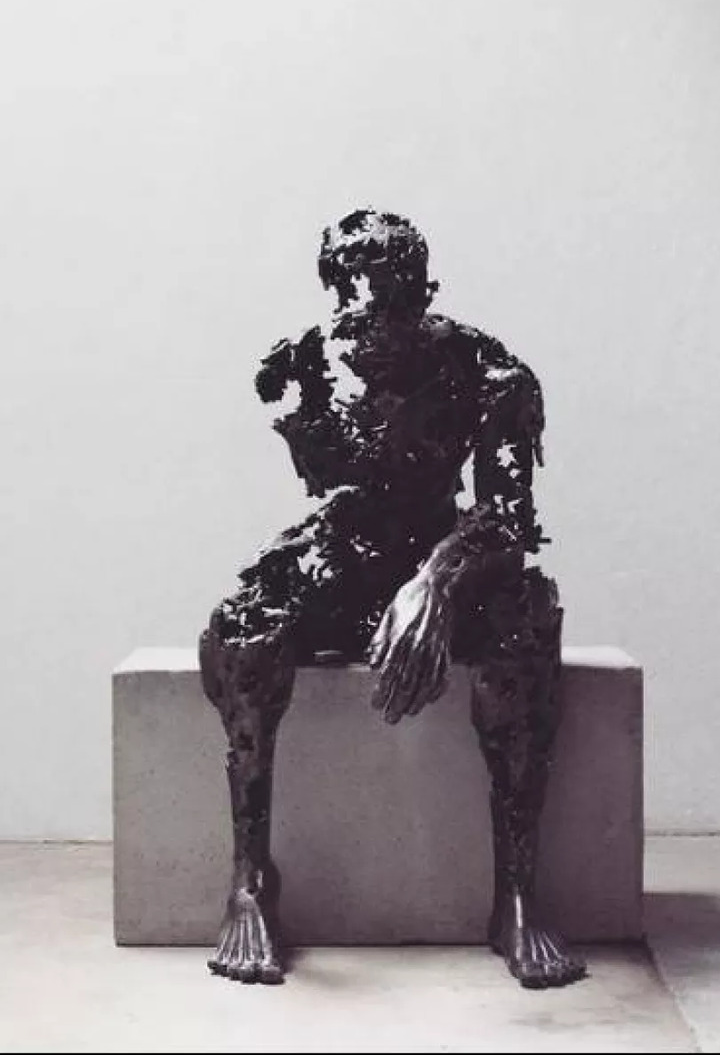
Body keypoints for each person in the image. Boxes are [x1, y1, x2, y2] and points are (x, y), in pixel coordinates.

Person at [199, 209, 585, 988]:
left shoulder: (491, 373)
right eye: (351, 296)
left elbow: (508, 518)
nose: (368, 319)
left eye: (388, 298)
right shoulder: (307, 364)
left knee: (523, 635)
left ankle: (517, 893)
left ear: (423, 293)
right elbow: (335, 494)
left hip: (449, 554)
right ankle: (250, 881)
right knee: (245, 627)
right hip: (348, 553)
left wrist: (435, 580)